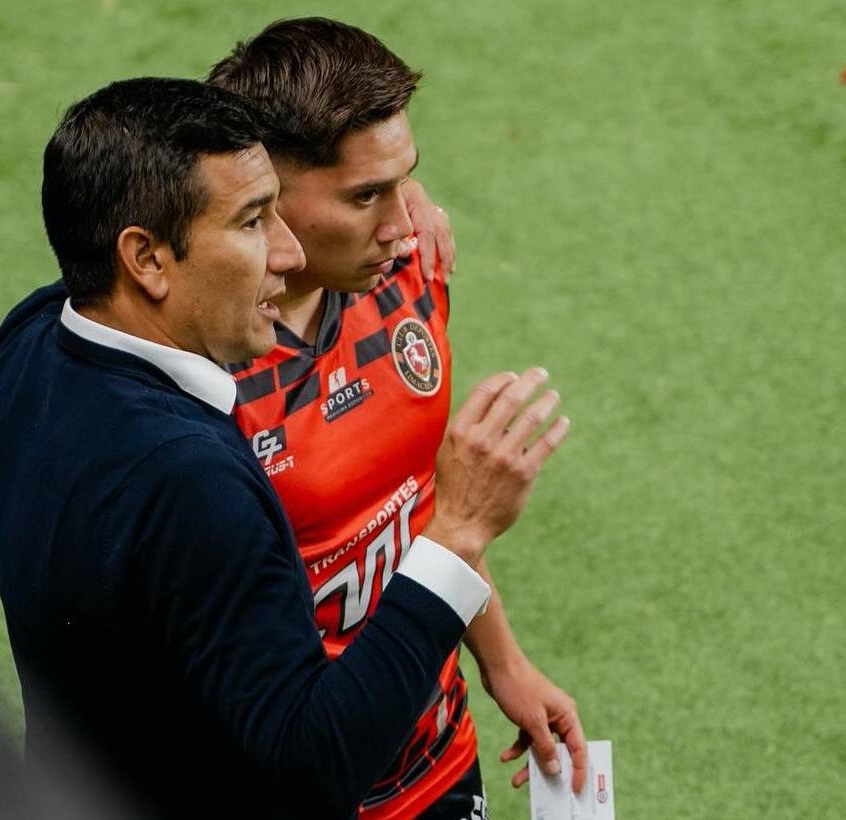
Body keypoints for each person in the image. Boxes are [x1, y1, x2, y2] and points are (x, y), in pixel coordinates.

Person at [0, 78, 570, 819]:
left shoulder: (27, 343)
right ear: (146, 258)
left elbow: (139, 204)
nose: (288, 253)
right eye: (254, 221)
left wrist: (378, 194)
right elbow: (314, 764)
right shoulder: (189, 480)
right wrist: (459, 533)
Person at [209, 18, 587, 820]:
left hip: (434, 760)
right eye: (364, 196)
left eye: (402, 182)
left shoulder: (411, 273)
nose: (402, 222)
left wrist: (505, 665)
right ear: (264, 193)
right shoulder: (199, 379)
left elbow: (422, 509)